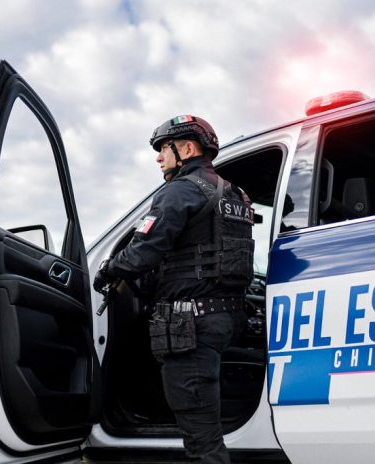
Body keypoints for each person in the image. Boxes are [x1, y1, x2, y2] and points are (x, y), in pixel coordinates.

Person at [93, 115, 254, 464]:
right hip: (227, 319)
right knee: (205, 423)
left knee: (203, 443)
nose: (158, 157)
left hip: (191, 326)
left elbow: (144, 250)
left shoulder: (179, 190)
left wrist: (108, 270)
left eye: (164, 148)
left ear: (188, 149)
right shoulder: (236, 195)